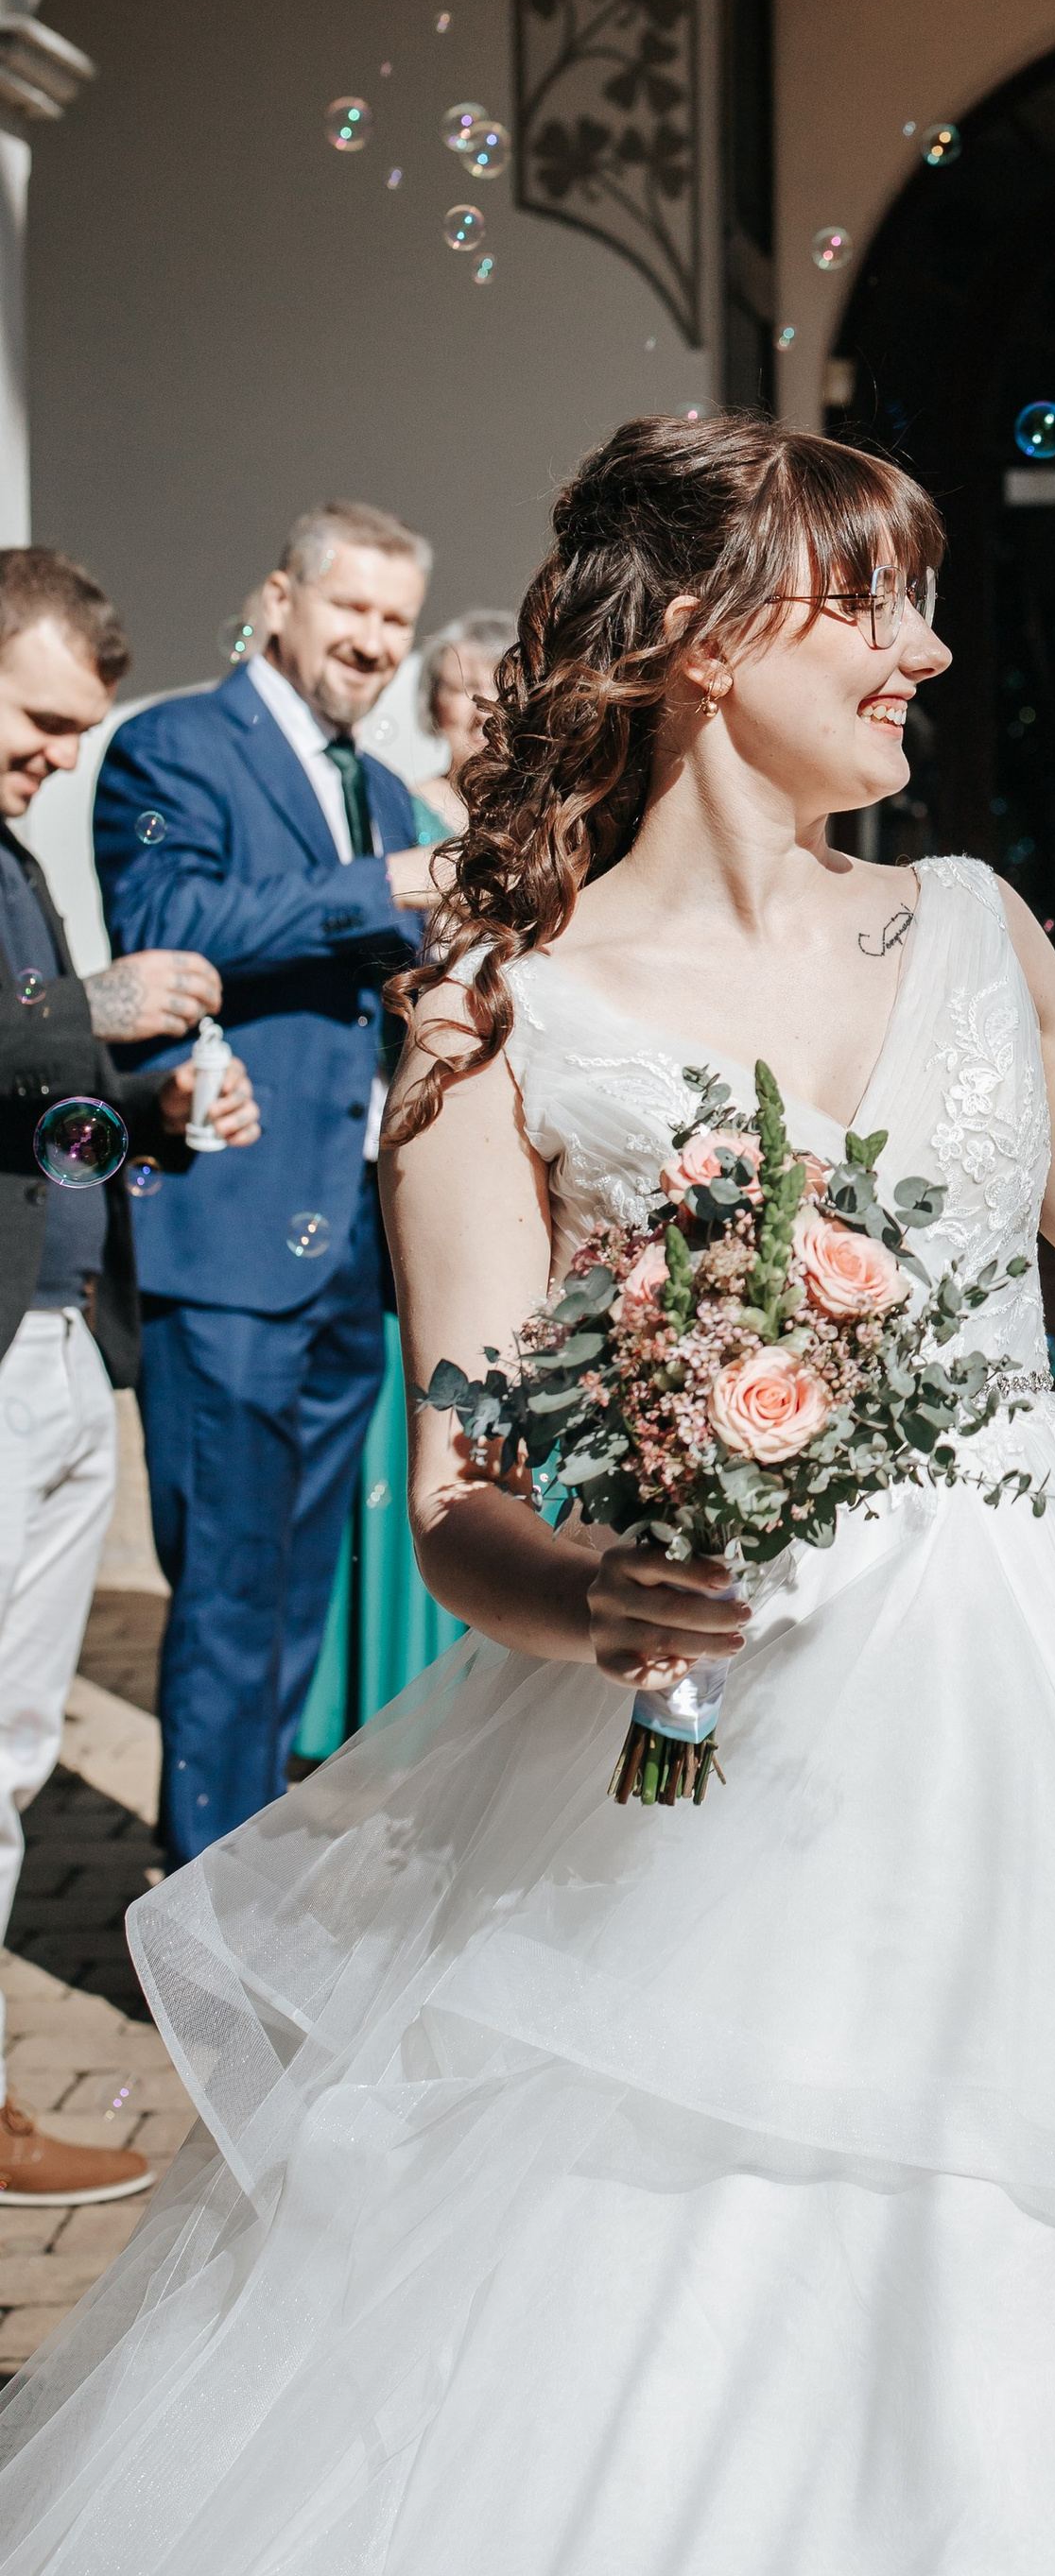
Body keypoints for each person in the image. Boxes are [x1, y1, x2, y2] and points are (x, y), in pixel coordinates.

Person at [0, 416, 1055, 2576]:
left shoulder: (973, 928)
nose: (928, 649)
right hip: (696, 1738)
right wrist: (590, 1596)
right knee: (679, 2233)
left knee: (1037, 2242)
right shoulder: (498, 1001)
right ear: (693, 637)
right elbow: (462, 1490)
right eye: (870, 601)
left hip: (1034, 1705)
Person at [91, 503, 439, 1860]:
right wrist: (382, 885)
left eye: (396, 621)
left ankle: (239, 1871)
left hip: (353, 1242)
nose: (374, 641)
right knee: (229, 1589)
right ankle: (193, 1889)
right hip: (229, 1234)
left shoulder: (388, 791)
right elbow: (165, 926)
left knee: (296, 1590)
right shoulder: (173, 746)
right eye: (352, 608)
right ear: (278, 601)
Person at [0, 550, 257, 2207]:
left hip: (52, 1342)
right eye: (35, 722)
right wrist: (95, 1007)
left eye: (71, 734)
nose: (55, 758)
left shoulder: (11, 847)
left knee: (15, 1741)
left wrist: (145, 1113)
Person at [293, 610, 510, 1756]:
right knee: (402, 1416)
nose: (478, 717)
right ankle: (367, 1694)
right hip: (404, 1134)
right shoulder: (402, 819)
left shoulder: (536, 824)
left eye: (496, 697)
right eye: (458, 696)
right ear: (433, 707)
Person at [407, 607, 513, 840]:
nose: (485, 712)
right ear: (433, 701)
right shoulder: (405, 809)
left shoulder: (553, 809)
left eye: (504, 688)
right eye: (466, 688)